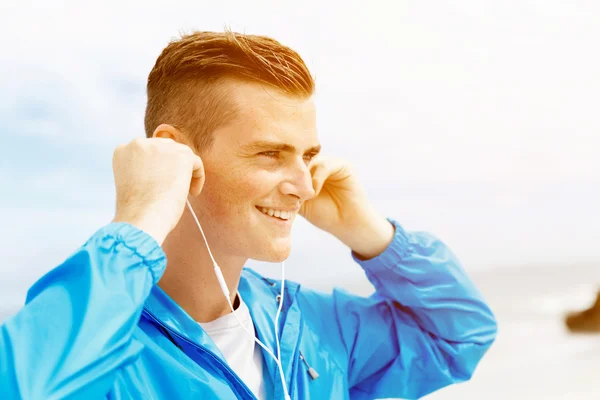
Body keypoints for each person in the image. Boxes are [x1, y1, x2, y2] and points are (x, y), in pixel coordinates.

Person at [0, 30, 497, 400]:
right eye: (270, 155)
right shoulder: (104, 348)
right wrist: (138, 224)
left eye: (307, 155)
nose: (304, 185)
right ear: (175, 154)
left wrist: (368, 231)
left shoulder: (313, 328)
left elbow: (458, 336)